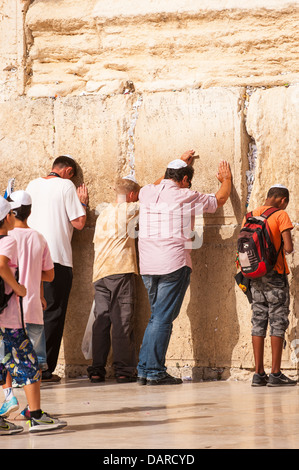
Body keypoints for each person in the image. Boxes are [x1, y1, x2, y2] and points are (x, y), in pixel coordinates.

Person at [137, 150, 232, 385]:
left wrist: (176, 166)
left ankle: (144, 369)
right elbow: (219, 200)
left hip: (148, 264)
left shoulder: (146, 193)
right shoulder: (185, 195)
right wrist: (227, 180)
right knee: (162, 319)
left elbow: (161, 182)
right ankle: (155, 372)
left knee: (156, 317)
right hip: (173, 263)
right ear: (185, 180)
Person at [0, 195, 66, 434]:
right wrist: (23, 285)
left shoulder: (8, 238)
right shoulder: (35, 238)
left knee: (4, 360)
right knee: (31, 362)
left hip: (9, 313)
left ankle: (8, 399)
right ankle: (35, 413)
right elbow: (49, 275)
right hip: (25, 311)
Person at [26, 155, 89, 382]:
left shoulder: (32, 185)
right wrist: (82, 203)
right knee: (53, 314)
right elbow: (79, 223)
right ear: (68, 171)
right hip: (56, 259)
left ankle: (29, 366)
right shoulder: (66, 186)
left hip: (31, 259)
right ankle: (44, 369)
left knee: (33, 314)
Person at [87, 176, 140, 383]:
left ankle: (97, 369)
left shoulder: (105, 212)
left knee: (102, 321)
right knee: (122, 321)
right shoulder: (129, 209)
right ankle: (123, 370)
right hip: (120, 270)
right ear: (133, 195)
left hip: (99, 273)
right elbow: (156, 194)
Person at [247, 185, 296, 387]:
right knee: (277, 321)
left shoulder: (250, 215)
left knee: (258, 320)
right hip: (275, 275)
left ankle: (258, 374)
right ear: (282, 200)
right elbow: (288, 248)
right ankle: (275, 373)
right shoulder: (281, 215)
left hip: (254, 275)